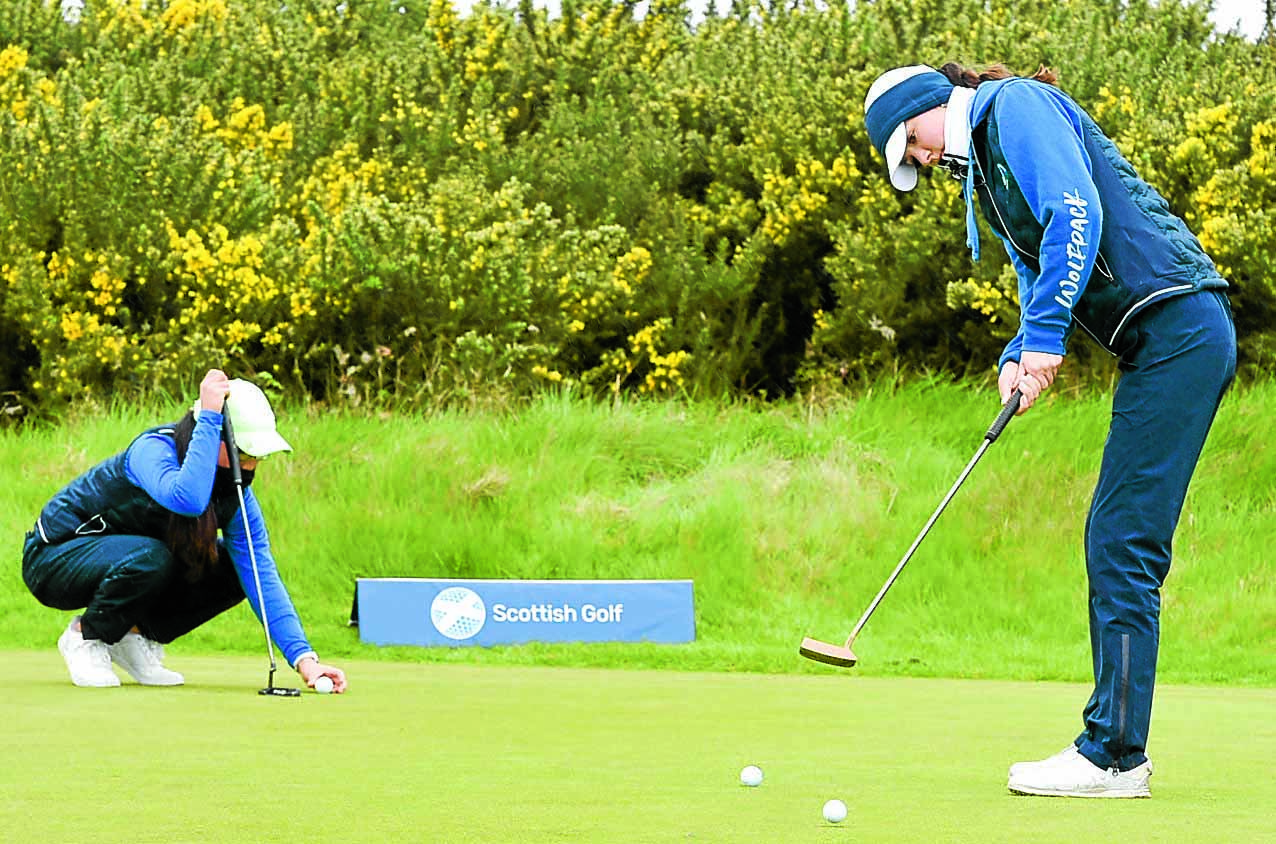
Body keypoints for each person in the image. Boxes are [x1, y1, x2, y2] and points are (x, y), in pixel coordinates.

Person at [863, 64, 1235, 797]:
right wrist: (1018, 354)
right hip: (1161, 345)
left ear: (926, 108)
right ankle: (1115, 748)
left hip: (1182, 331)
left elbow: (1075, 213)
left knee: (1121, 538)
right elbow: (1040, 270)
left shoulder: (1013, 109)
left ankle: (1114, 757)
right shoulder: (990, 172)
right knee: (1114, 535)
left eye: (913, 144)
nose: (921, 161)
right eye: (911, 161)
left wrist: (1046, 340)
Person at [22, 369, 348, 694]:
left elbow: (261, 575)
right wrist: (210, 416)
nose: (250, 466)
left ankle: (131, 635)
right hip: (54, 559)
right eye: (244, 453)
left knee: (232, 565)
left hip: (130, 562)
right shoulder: (153, 450)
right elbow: (187, 499)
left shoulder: (233, 496)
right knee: (153, 557)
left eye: (258, 456)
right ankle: (86, 635)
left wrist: (305, 659)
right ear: (209, 434)